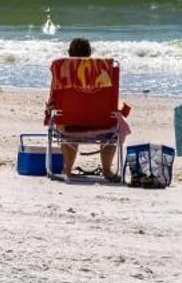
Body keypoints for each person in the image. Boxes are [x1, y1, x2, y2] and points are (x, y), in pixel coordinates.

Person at [45, 37, 128, 180]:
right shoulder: (105, 70)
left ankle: (68, 169)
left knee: (68, 120)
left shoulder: (62, 69)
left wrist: (48, 109)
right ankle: (107, 170)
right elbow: (113, 101)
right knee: (113, 122)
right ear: (90, 53)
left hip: (70, 125)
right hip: (103, 127)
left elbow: (53, 101)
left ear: (69, 53)